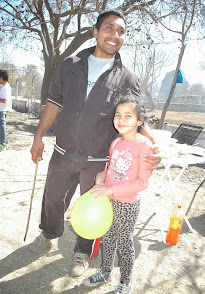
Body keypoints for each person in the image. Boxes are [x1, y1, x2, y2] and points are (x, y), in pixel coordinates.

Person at [30, 10, 161, 277]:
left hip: (98, 160)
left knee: (92, 206)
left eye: (121, 31)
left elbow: (137, 115)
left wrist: (153, 145)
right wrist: (38, 136)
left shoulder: (127, 77)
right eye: (109, 28)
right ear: (96, 32)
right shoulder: (71, 64)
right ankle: (51, 231)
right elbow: (54, 102)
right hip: (63, 152)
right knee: (53, 199)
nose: (115, 35)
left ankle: (82, 252)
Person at [83, 94, 153, 294]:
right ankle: (105, 272)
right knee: (108, 238)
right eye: (118, 115)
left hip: (127, 204)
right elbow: (110, 167)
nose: (121, 120)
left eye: (128, 116)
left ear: (140, 120)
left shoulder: (144, 146)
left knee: (124, 243)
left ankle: (126, 281)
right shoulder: (116, 142)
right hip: (108, 200)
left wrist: (111, 188)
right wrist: (101, 176)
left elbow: (142, 182)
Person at [0, 70, 12, 151]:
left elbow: (4, 100)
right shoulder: (4, 87)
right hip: (3, 109)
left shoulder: (6, 87)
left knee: (2, 127)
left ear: (1, 78)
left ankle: (3, 144)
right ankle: (5, 143)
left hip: (2, 109)